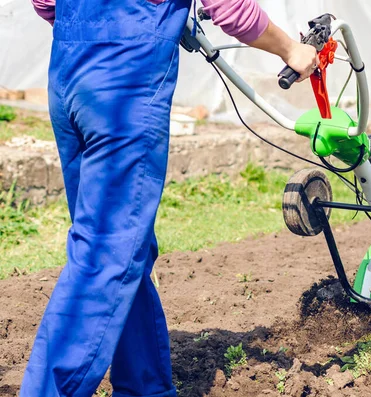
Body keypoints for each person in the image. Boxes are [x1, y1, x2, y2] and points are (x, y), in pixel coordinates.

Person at [21, 0, 318, 395]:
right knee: (106, 253)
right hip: (122, 88)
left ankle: (146, 387)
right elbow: (229, 8)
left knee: (125, 248)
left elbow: (45, 3)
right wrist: (291, 50)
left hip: (70, 76)